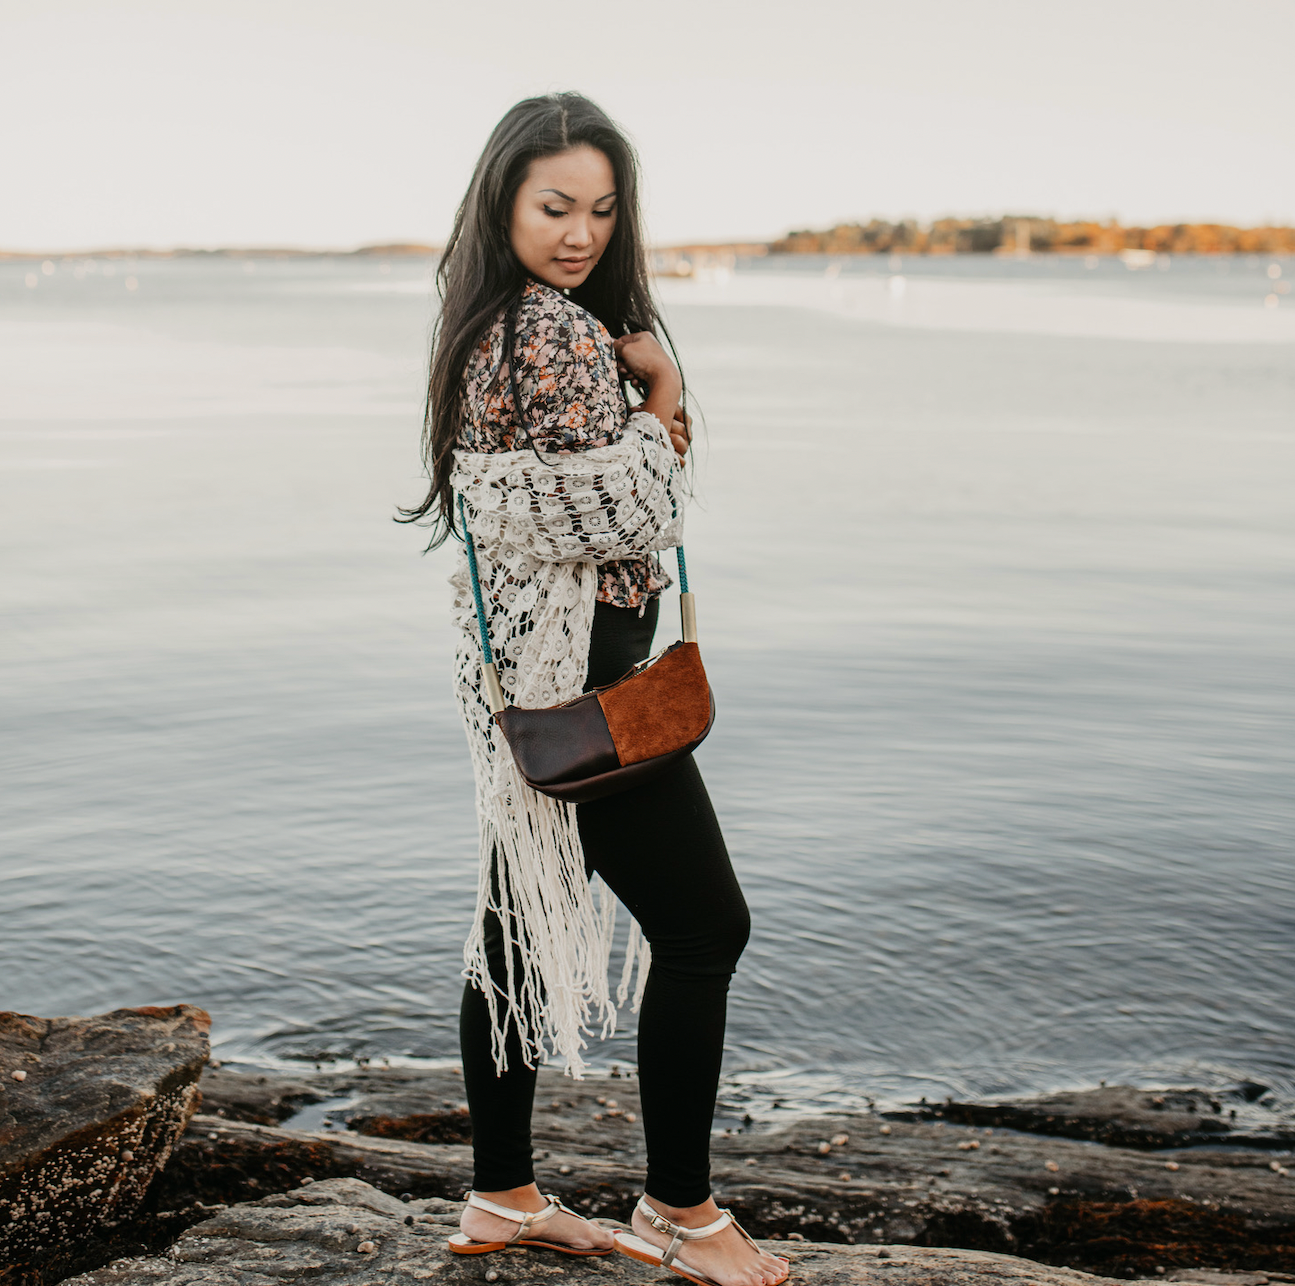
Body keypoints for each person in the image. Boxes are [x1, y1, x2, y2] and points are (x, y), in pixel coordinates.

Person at [399, 93, 789, 1286]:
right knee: (704, 927)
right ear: (502, 203)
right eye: (554, 205)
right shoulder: (555, 335)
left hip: (523, 686)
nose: (580, 231)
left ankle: (503, 1195)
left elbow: (539, 509)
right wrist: (662, 403)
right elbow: (632, 511)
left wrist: (635, 430)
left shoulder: (480, 327)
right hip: (592, 687)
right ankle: (680, 1209)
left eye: (601, 208)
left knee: (514, 934)